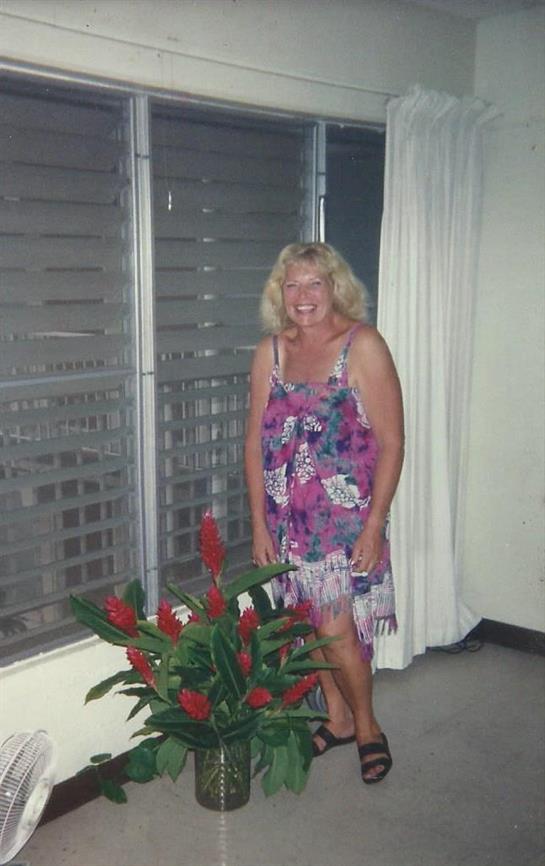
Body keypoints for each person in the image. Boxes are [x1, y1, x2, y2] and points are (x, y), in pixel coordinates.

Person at [244, 242, 404, 784]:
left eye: (315, 283)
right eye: (292, 285)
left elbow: (392, 442)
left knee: (336, 632)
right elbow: (252, 444)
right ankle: (335, 718)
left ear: (335, 287)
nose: (304, 296)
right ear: (279, 294)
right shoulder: (272, 351)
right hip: (287, 519)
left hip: (342, 521)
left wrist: (375, 523)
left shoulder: (362, 345)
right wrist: (259, 522)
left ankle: (367, 727)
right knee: (307, 628)